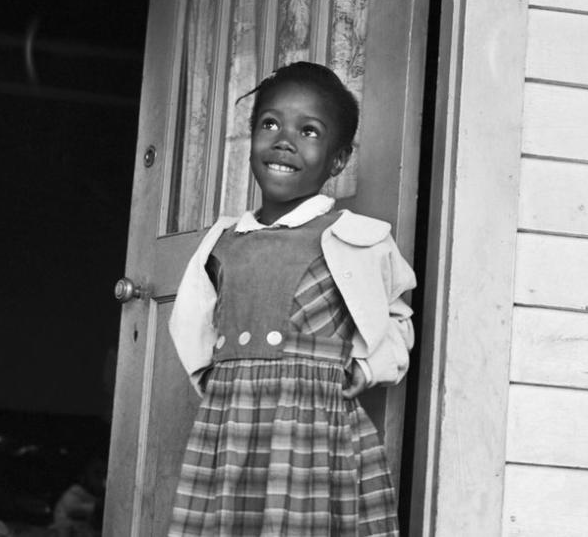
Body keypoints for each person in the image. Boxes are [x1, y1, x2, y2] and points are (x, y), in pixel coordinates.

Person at [166, 61, 415, 536]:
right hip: (235, 425)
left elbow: (397, 316)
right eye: (271, 124)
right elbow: (193, 318)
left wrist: (366, 368)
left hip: (315, 432)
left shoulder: (357, 239)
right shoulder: (223, 239)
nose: (285, 140)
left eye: (309, 131)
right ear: (252, 138)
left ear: (338, 160)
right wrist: (216, 382)